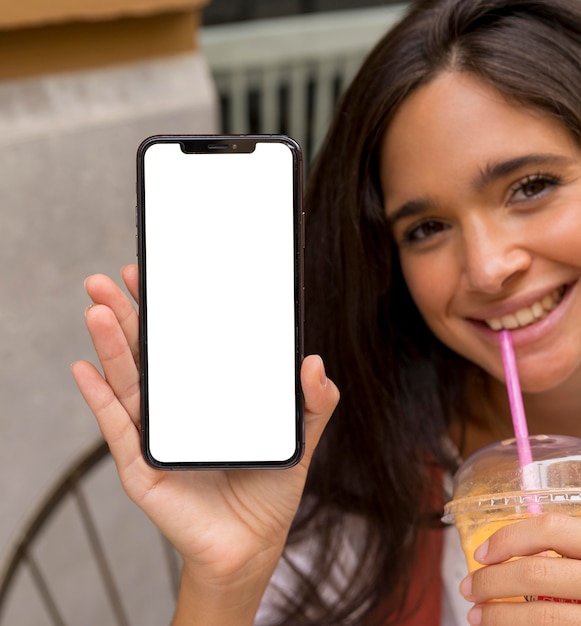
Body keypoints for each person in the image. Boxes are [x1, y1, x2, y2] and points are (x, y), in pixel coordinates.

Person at [71, 0, 581, 623]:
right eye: (426, 227)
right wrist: (224, 579)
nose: (487, 267)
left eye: (531, 187)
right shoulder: (367, 476)